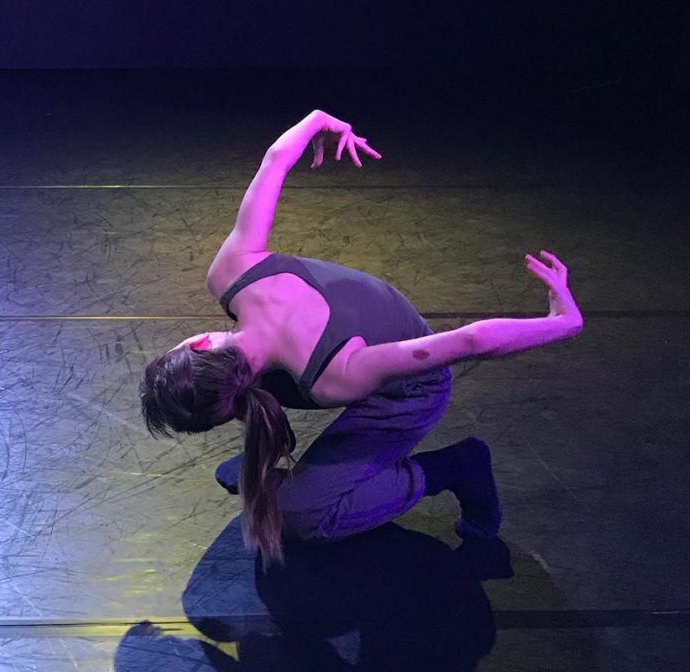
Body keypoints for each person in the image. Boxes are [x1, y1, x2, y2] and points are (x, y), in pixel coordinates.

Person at [139, 110, 584, 563]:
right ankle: (274, 458)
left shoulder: (335, 377)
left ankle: (454, 468)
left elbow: (467, 343)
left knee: (299, 518)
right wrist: (319, 121)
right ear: (196, 344)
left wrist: (563, 325)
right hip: (335, 353)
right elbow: (274, 160)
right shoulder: (231, 271)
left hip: (406, 393)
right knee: (254, 397)